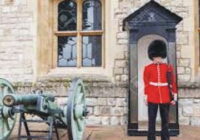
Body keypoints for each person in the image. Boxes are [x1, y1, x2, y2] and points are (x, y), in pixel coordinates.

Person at [143, 40, 178, 140]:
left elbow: (172, 82)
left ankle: (165, 138)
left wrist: (173, 95)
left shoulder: (168, 67)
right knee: (151, 120)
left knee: (165, 121)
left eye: (159, 57)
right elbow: (146, 83)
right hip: (152, 96)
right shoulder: (148, 68)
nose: (157, 59)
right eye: (155, 57)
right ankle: (151, 138)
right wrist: (146, 96)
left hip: (165, 96)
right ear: (152, 57)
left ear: (162, 56)